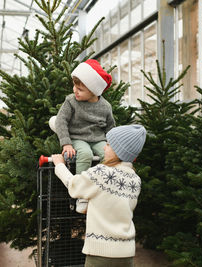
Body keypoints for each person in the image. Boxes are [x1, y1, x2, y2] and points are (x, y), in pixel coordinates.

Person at [52, 124, 147, 267]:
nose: (104, 148)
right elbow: (116, 207)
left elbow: (74, 186)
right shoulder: (135, 179)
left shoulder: (102, 173)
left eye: (108, 144)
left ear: (118, 150)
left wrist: (59, 165)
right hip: (126, 254)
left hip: (101, 253)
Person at [49, 59, 116, 214]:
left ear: (94, 90)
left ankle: (105, 190)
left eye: (80, 89)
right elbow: (61, 121)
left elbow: (110, 128)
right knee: (84, 154)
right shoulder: (71, 101)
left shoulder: (105, 107)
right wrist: (66, 143)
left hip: (98, 139)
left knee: (109, 157)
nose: (75, 91)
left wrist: (112, 145)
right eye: (74, 86)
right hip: (77, 138)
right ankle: (82, 195)